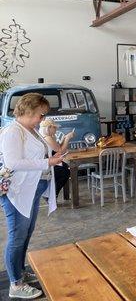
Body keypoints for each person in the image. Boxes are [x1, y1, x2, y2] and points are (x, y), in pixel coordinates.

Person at [0, 93, 63, 299]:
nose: (42, 119)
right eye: (40, 114)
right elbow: (13, 163)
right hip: (17, 192)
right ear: (27, 111)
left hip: (31, 189)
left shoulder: (31, 130)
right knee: (17, 237)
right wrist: (47, 163)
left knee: (25, 234)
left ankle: (19, 271)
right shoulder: (12, 131)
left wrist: (51, 158)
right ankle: (15, 284)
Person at [39, 119, 74, 197]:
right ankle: (51, 195)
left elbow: (58, 148)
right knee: (64, 171)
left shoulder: (50, 136)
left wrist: (65, 138)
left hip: (51, 162)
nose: (56, 129)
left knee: (65, 169)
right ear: (49, 128)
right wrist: (67, 138)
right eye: (54, 127)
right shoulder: (47, 137)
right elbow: (60, 151)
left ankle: (52, 194)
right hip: (48, 165)